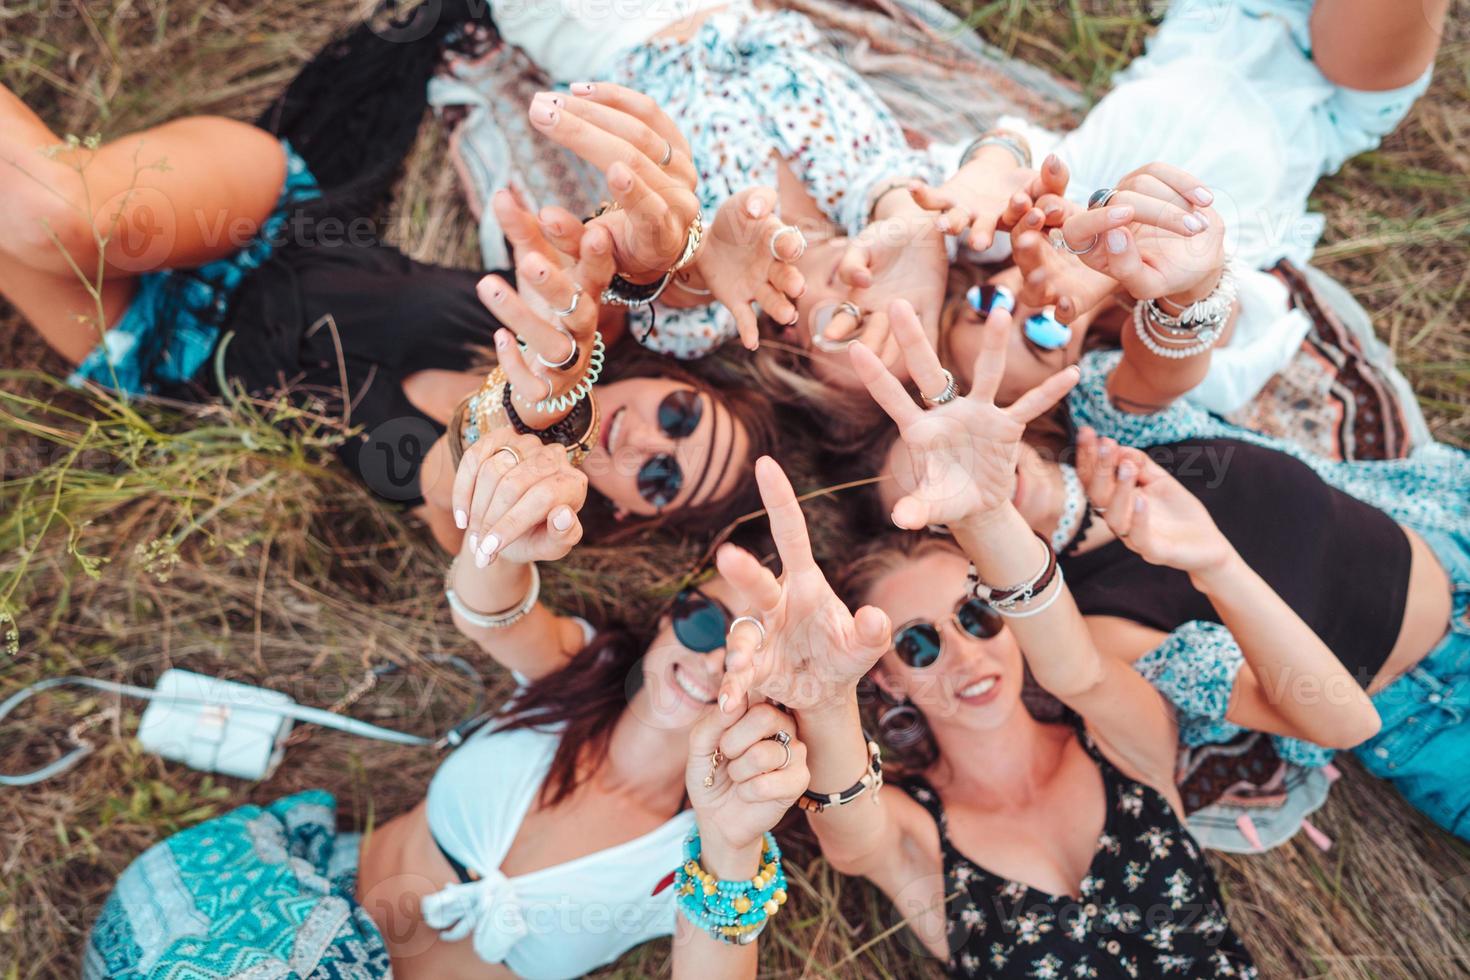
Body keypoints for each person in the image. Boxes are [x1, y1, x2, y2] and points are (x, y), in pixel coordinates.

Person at [0, 6, 770, 550]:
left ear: (636, 515)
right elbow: (623, 261)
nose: (644, 442)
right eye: (679, 417)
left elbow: (448, 485)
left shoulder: (490, 512)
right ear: (670, 378)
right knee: (59, 221)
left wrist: (517, 441)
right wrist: (692, 255)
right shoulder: (583, 327)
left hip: (167, 348)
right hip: (268, 222)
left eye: (663, 480)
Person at [84, 455, 805, 978]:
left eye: (749, 658)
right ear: (669, 619)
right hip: (253, 905)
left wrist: (732, 842)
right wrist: (499, 539)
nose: (712, 662)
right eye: (707, 621)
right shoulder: (577, 675)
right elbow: (492, 611)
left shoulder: (702, 853)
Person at [870, 296, 1470, 839]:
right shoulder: (1102, 623)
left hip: (1452, 546)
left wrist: (1189, 284)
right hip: (1424, 718)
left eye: (963, 450)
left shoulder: (1106, 418)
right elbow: (1344, 720)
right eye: (947, 493)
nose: (979, 477)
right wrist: (1214, 562)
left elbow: (1170, 350)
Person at [702, 430, 1290, 974]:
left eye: (976, 615)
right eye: (919, 643)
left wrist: (988, 515)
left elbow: (1079, 670)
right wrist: (826, 701)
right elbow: (850, 827)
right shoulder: (918, 833)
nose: (963, 655)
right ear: (886, 680)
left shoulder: (1117, 739)